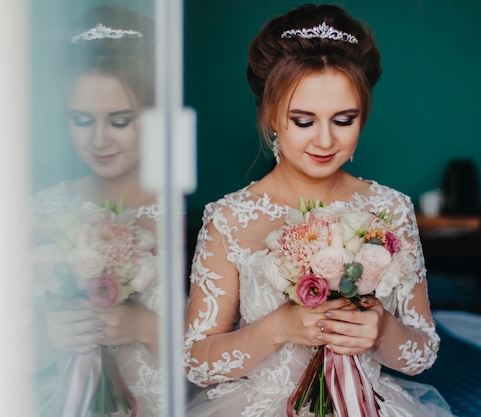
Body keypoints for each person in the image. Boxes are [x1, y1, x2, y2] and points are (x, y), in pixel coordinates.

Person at [184, 4, 453, 417]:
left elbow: (422, 353)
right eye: (303, 120)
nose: (325, 141)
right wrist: (277, 329)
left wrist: (381, 331)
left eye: (343, 120)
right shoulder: (228, 218)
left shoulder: (391, 208)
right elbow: (197, 362)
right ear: (271, 115)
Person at [29, 6, 163, 416]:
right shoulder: (40, 212)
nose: (99, 140)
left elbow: (223, 358)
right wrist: (49, 336)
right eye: (82, 120)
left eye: (120, 120)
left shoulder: (187, 217)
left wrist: (147, 328)